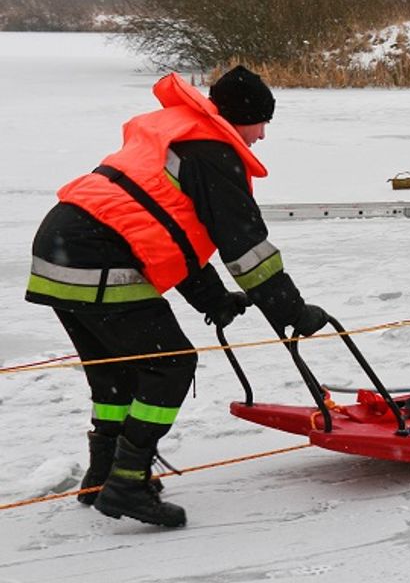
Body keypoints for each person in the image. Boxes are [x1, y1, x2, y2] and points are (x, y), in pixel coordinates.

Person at [26, 66, 329, 528]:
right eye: (261, 122)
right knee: (171, 363)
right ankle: (128, 483)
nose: (262, 135)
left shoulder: (181, 138)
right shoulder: (212, 153)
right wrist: (292, 312)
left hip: (61, 248)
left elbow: (165, 235)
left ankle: (103, 472)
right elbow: (246, 248)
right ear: (240, 116)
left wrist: (214, 300)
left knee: (117, 372)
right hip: (97, 255)